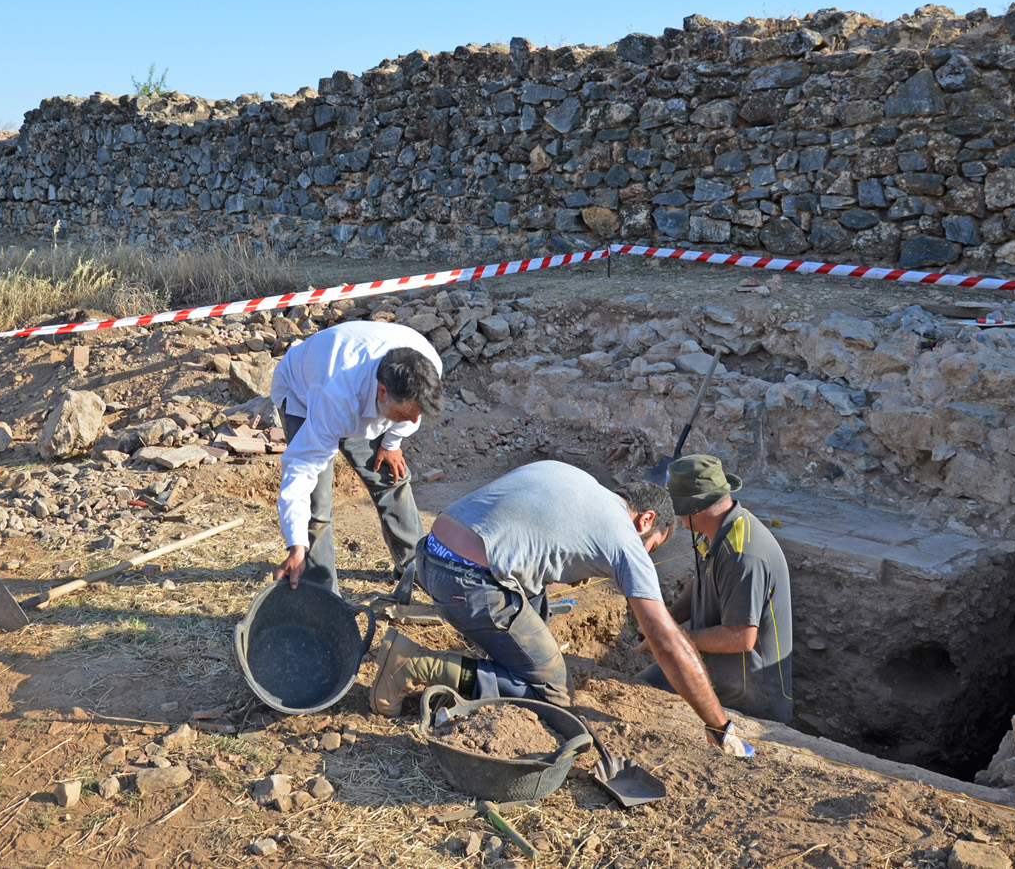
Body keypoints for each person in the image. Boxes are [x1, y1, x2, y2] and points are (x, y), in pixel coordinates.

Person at [369, 460, 754, 756]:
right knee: (552, 693)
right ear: (645, 520)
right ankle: (412, 664)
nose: (646, 555)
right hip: (465, 580)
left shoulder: (572, 477)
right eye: (651, 546)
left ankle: (499, 664)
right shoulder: (623, 540)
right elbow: (667, 641)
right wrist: (717, 723)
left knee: (536, 618)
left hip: (430, 555)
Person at [269, 319, 443, 594]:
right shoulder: (335, 398)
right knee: (317, 502)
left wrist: (391, 442)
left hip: (358, 390)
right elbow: (301, 468)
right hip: (302, 393)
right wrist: (296, 544)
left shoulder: (426, 365)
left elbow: (411, 416)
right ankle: (322, 591)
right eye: (404, 414)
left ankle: (414, 567)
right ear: (383, 393)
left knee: (391, 478)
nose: (413, 421)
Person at [636, 455, 793, 724]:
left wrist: (672, 640)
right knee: (637, 692)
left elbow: (741, 637)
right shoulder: (715, 530)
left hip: (749, 698)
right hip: (710, 668)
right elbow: (704, 581)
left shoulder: (742, 556)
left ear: (697, 508)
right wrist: (668, 620)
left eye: (679, 507)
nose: (676, 516)